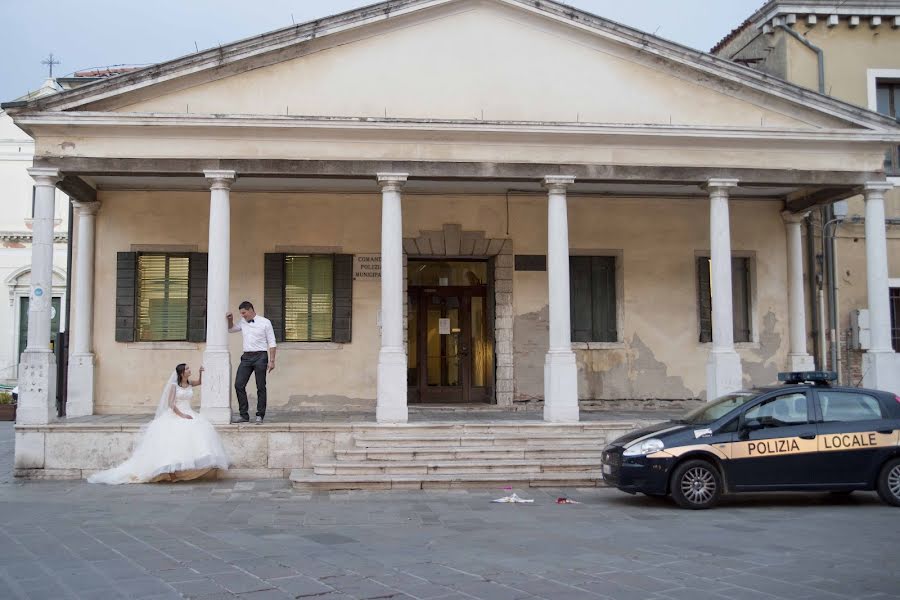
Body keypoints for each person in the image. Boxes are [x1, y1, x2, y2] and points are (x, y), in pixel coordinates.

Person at [88, 364, 229, 485]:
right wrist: (182, 415)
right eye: (187, 368)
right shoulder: (175, 386)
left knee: (193, 440)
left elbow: (199, 382)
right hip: (178, 413)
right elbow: (171, 404)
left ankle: (182, 471)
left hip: (189, 413)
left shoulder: (189, 383)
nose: (189, 369)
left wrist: (200, 373)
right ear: (181, 373)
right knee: (172, 444)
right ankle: (172, 474)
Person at [227, 300, 276, 424]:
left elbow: (272, 342)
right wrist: (230, 319)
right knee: (239, 384)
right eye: (241, 313)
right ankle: (244, 415)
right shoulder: (243, 322)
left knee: (260, 386)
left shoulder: (265, 322)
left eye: (244, 313)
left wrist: (272, 361)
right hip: (246, 357)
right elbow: (231, 329)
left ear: (250, 310)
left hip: (261, 356)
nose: (242, 315)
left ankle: (260, 415)